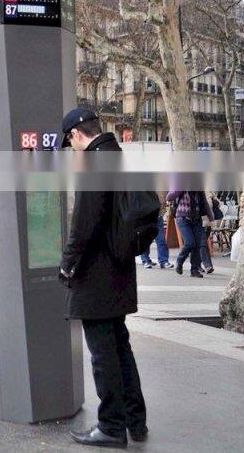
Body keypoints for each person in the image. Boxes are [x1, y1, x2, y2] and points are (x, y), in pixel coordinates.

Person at [59, 108, 147, 448]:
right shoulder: (118, 156)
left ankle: (111, 426)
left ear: (77, 134)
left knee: (103, 355)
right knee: (120, 348)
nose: (72, 149)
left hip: (96, 274)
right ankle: (135, 420)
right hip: (120, 271)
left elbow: (84, 223)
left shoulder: (93, 163)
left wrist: (68, 263)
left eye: (70, 142)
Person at [165, 191, 214, 278]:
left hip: (196, 218)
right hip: (182, 218)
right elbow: (169, 197)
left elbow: (204, 203)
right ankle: (179, 261)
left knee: (198, 243)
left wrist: (211, 218)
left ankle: (194, 270)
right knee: (190, 243)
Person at [139, 192, 174, 269]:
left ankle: (164, 261)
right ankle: (145, 260)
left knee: (161, 239)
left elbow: (167, 197)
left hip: (158, 217)